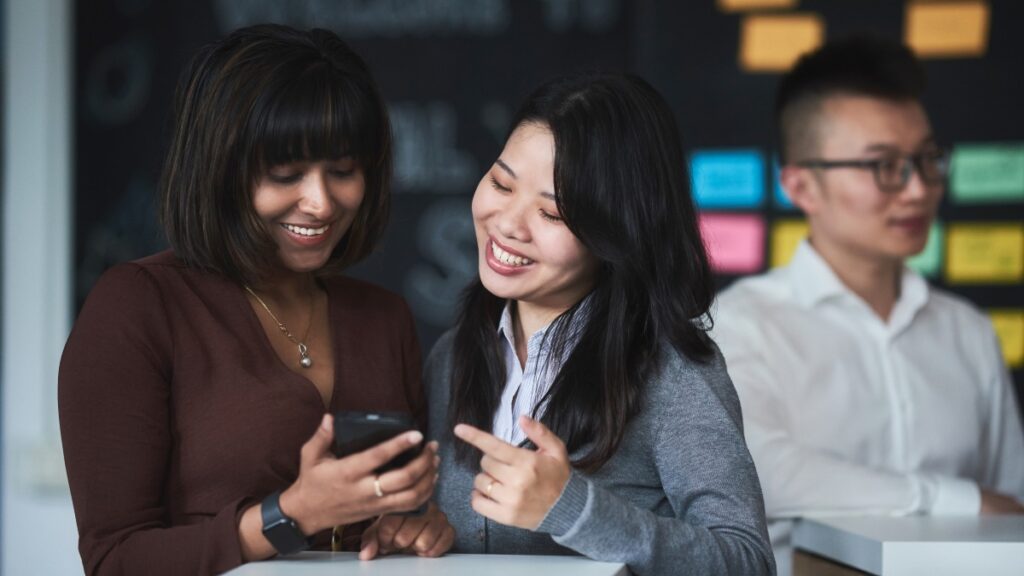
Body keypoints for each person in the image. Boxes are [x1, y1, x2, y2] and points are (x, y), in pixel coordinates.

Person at [58, 25, 452, 576]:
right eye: (285, 173)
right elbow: (113, 559)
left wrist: (418, 525)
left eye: (342, 171)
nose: (319, 202)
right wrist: (287, 516)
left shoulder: (384, 318)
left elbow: (398, 519)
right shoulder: (137, 307)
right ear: (219, 172)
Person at [411, 72, 775, 576]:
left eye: (553, 213)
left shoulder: (673, 372)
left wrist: (573, 509)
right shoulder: (451, 356)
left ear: (618, 230)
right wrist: (422, 529)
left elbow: (748, 563)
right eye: (500, 183)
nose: (508, 225)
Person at [710, 36, 1024, 574]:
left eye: (927, 160)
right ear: (800, 185)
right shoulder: (740, 325)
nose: (918, 189)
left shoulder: (966, 330)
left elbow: (1012, 506)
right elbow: (757, 472)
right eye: (884, 166)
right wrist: (955, 498)